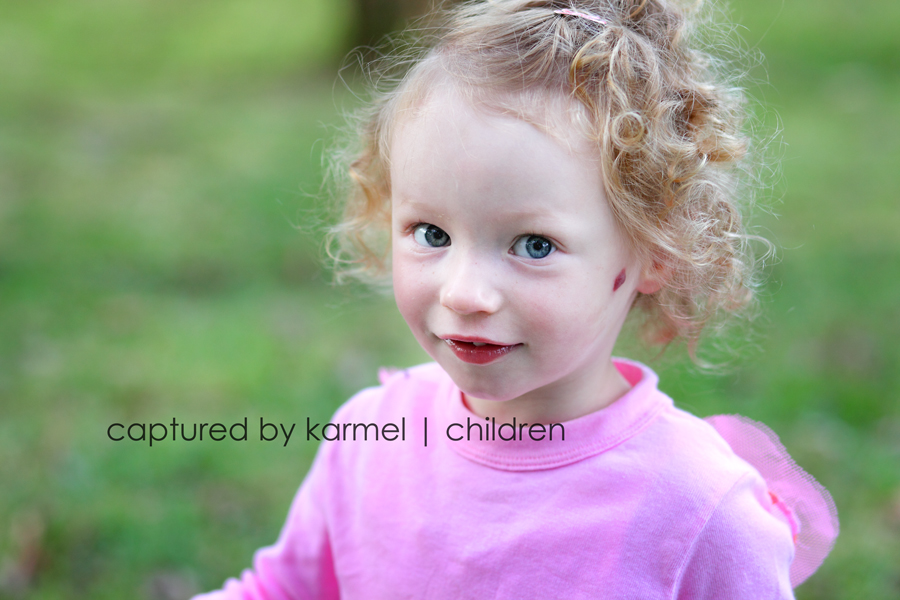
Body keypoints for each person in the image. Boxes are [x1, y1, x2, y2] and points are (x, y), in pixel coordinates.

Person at [194, 1, 838, 598]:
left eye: (533, 245)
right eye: (431, 234)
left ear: (654, 251)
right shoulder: (371, 438)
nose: (464, 292)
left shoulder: (700, 514)